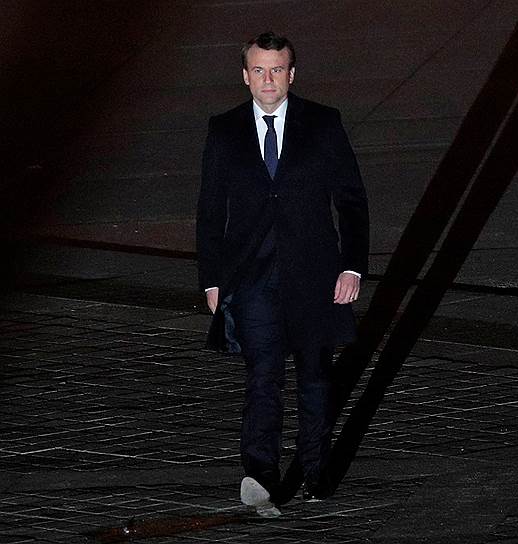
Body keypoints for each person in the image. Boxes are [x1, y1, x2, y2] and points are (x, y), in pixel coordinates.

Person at [195, 31, 369, 517]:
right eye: (259, 70)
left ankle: (315, 470)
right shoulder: (224, 130)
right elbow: (210, 211)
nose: (268, 80)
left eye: (277, 70)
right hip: (251, 278)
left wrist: (352, 266)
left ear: (291, 74)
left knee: (315, 377)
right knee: (262, 376)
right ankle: (260, 474)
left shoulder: (323, 123)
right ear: (245, 76)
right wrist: (212, 280)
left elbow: (351, 200)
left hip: (314, 275)